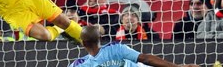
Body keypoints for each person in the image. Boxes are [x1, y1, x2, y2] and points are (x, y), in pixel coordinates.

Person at [70, 25, 199, 67]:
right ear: (101, 38)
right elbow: (146, 59)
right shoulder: (115, 48)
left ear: (82, 43)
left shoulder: (79, 64)